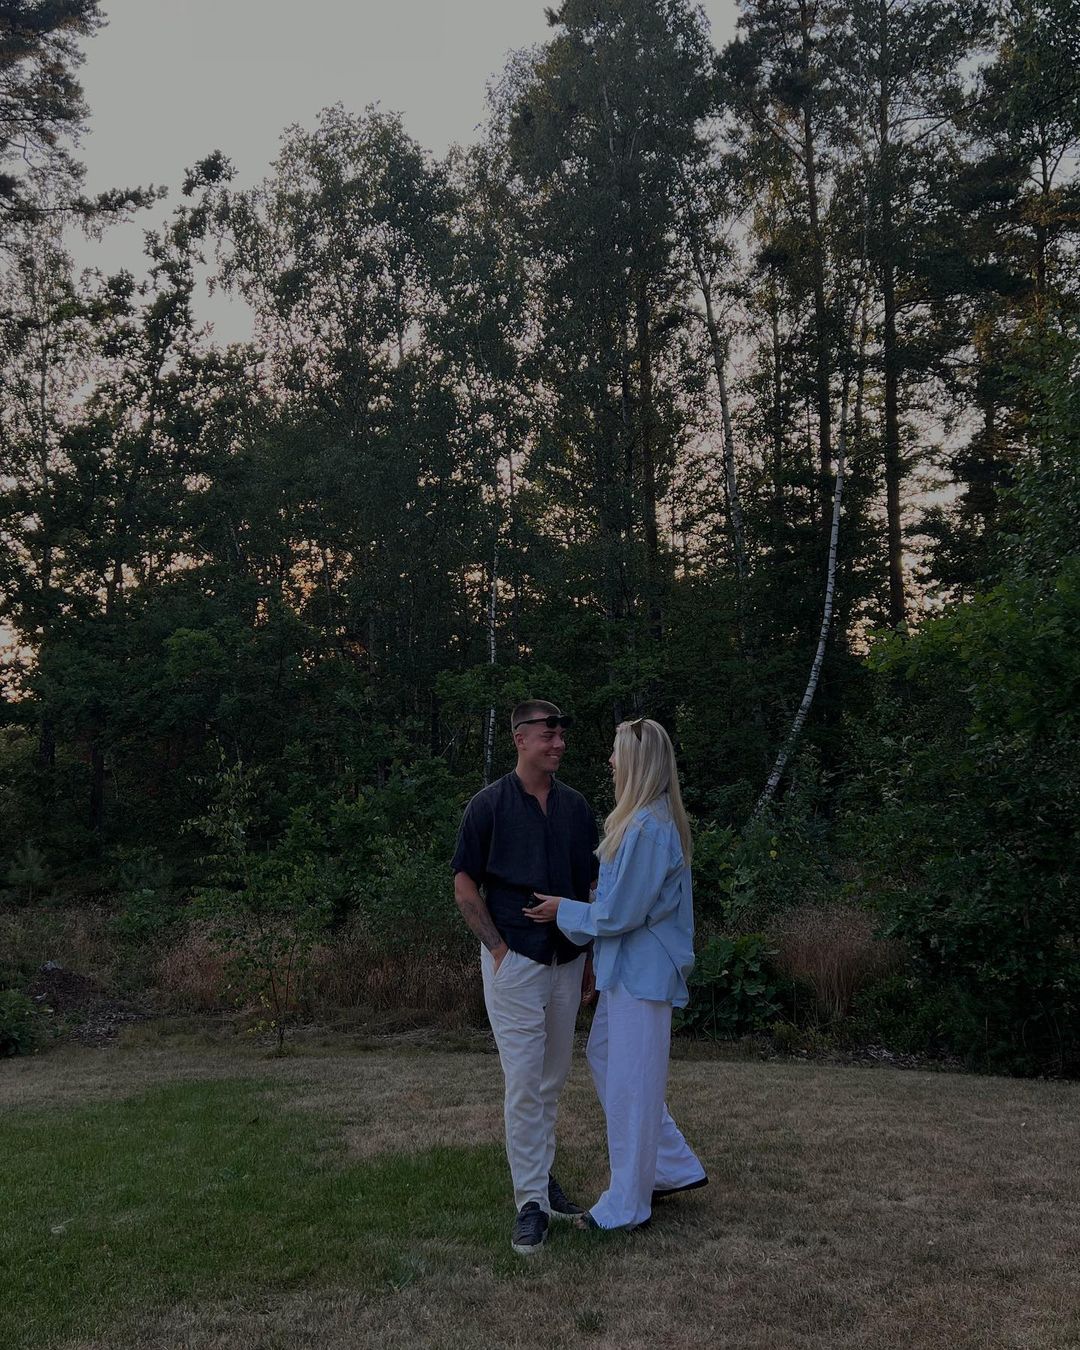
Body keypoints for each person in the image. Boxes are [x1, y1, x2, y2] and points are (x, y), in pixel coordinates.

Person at [527, 716, 707, 1231]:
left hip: (643, 974)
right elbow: (618, 900)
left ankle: (627, 1205)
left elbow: (620, 914)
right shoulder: (638, 822)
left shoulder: (649, 828)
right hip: (627, 971)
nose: (609, 761)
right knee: (607, 1056)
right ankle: (670, 1166)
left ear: (637, 762)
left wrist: (563, 909)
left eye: (616, 752)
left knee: (632, 1083)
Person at [451, 699, 599, 1256]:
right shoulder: (488, 805)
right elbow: (464, 883)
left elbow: (588, 888)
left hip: (568, 961)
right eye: (548, 733)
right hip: (515, 963)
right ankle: (530, 1203)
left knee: (551, 1080)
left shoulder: (576, 808)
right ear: (520, 738)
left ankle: (542, 1179)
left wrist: (589, 959)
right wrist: (498, 949)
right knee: (523, 1082)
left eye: (562, 734)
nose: (559, 742)